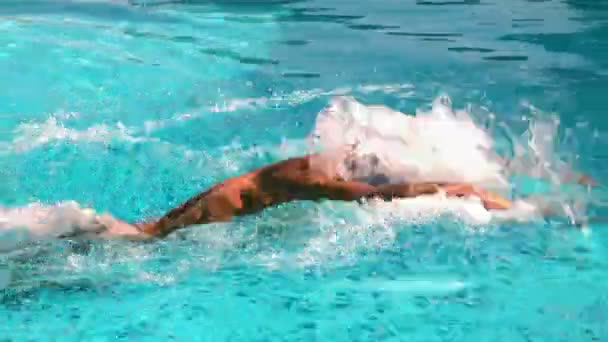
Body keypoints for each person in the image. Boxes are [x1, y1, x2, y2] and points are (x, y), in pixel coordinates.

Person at [100, 152, 514, 239]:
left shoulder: (315, 161)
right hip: (215, 212)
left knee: (146, 234)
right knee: (146, 242)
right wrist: (458, 191)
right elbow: (376, 195)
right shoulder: (315, 176)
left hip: (217, 205)